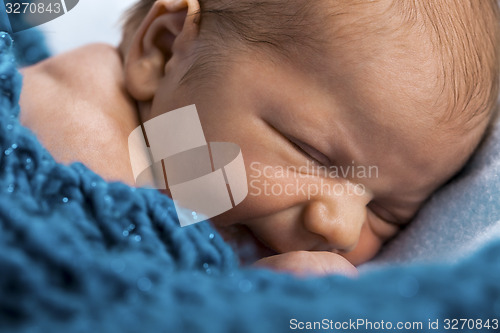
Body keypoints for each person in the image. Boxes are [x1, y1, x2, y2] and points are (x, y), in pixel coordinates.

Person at [18, 0, 500, 276]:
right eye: (312, 153)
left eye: (388, 213)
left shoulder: (179, 173)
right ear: (164, 51)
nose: (342, 227)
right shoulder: (75, 124)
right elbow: (100, 289)